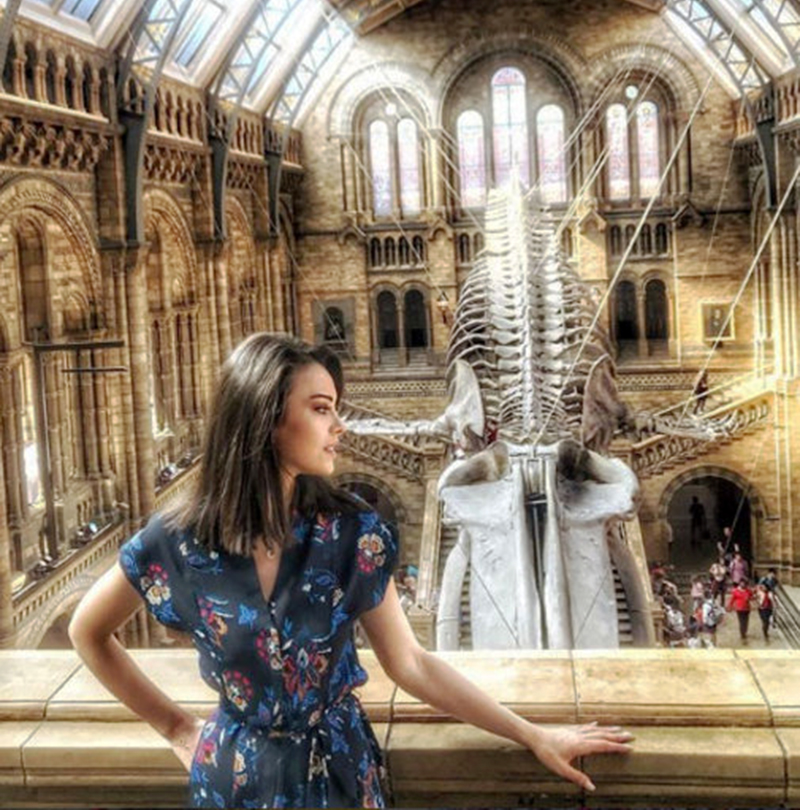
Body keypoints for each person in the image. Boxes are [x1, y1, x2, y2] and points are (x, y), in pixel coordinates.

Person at [68, 333, 633, 807]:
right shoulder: (179, 538)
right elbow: (87, 632)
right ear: (265, 416)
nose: (339, 425)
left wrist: (533, 734)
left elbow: (411, 663)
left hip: (339, 777)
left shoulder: (350, 533)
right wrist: (175, 726)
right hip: (232, 780)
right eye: (320, 408)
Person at [727, 577, 755, 642]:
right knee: (742, 622)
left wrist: (751, 598)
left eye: (744, 583)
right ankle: (742, 635)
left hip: (747, 608)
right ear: (740, 583)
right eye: (742, 583)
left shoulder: (748, 591)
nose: (743, 584)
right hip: (739, 609)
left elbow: (752, 597)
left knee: (746, 622)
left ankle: (744, 632)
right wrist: (729, 606)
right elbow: (732, 599)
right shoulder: (735, 591)